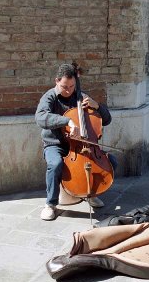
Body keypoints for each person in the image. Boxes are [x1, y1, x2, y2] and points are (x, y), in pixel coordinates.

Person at [35, 64, 117, 221]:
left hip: (82, 146)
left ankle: (91, 193)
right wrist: (68, 121)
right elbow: (40, 117)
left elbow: (106, 120)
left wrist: (97, 106)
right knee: (56, 164)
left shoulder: (81, 97)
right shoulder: (50, 97)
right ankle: (50, 204)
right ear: (57, 81)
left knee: (111, 162)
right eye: (65, 87)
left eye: (72, 86)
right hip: (56, 144)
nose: (69, 90)